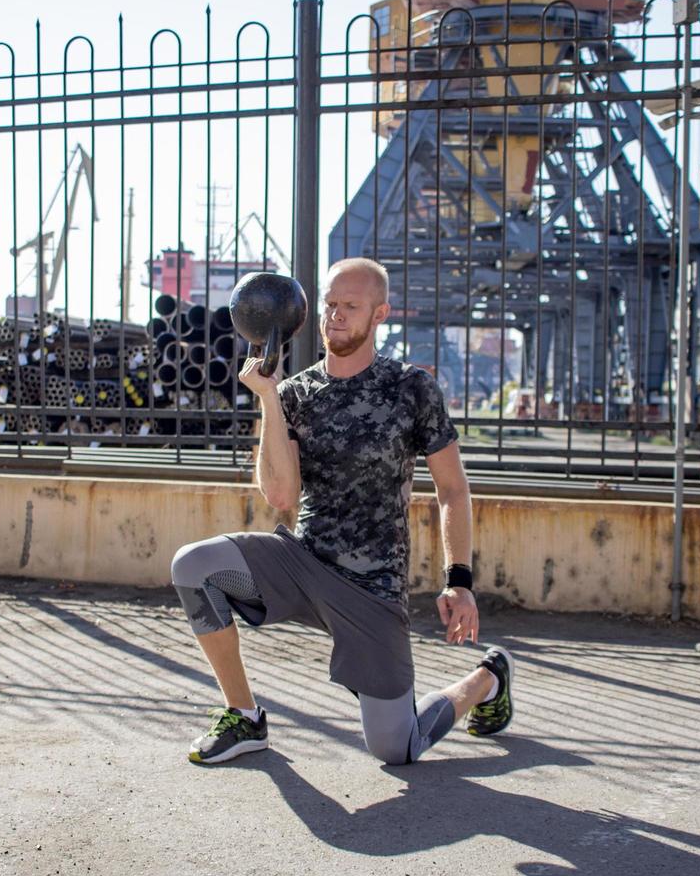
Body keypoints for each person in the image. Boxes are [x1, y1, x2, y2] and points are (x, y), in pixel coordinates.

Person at [170, 257, 516, 766]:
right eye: (330, 304)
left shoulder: (410, 388)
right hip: (303, 563)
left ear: (380, 314)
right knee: (193, 565)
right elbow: (281, 497)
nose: (336, 316)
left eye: (350, 306)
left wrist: (459, 580)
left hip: (372, 590)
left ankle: (487, 678)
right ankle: (244, 716)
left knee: (395, 747)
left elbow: (452, 491)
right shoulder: (295, 394)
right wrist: (268, 398)